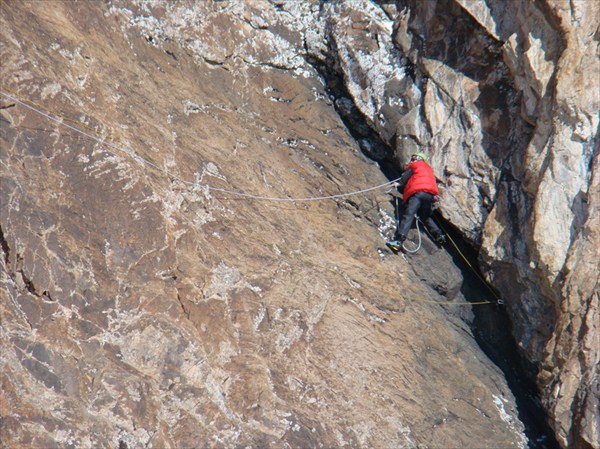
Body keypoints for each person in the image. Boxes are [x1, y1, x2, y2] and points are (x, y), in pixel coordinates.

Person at [387, 152, 446, 250]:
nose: (412, 160)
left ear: (419, 159)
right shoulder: (429, 169)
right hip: (430, 196)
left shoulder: (415, 165)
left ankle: (398, 241)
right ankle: (439, 235)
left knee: (408, 215)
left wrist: (399, 183)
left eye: (413, 158)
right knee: (425, 216)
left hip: (418, 193)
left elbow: (406, 176)